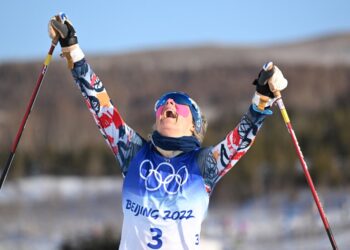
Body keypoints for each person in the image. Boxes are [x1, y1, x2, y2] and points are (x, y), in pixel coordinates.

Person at [48, 13, 287, 250]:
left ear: (193, 125)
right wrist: (73, 50)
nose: (169, 105)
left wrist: (262, 98)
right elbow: (102, 109)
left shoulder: (203, 164)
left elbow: (239, 141)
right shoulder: (134, 153)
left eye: (178, 102)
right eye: (163, 103)